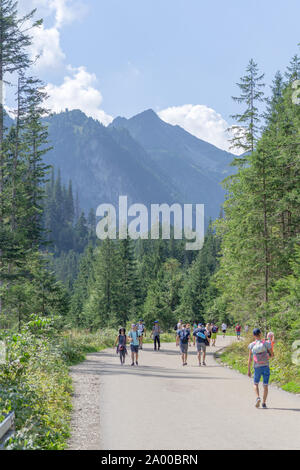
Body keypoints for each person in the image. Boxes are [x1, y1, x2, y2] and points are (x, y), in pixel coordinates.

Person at [248, 328, 274, 408]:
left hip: (257, 367)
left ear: (254, 335)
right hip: (265, 366)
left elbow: (250, 359)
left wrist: (248, 370)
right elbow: (272, 355)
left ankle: (258, 397)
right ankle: (264, 403)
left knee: (255, 384)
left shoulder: (252, 345)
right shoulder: (266, 343)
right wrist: (268, 356)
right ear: (260, 334)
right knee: (265, 385)